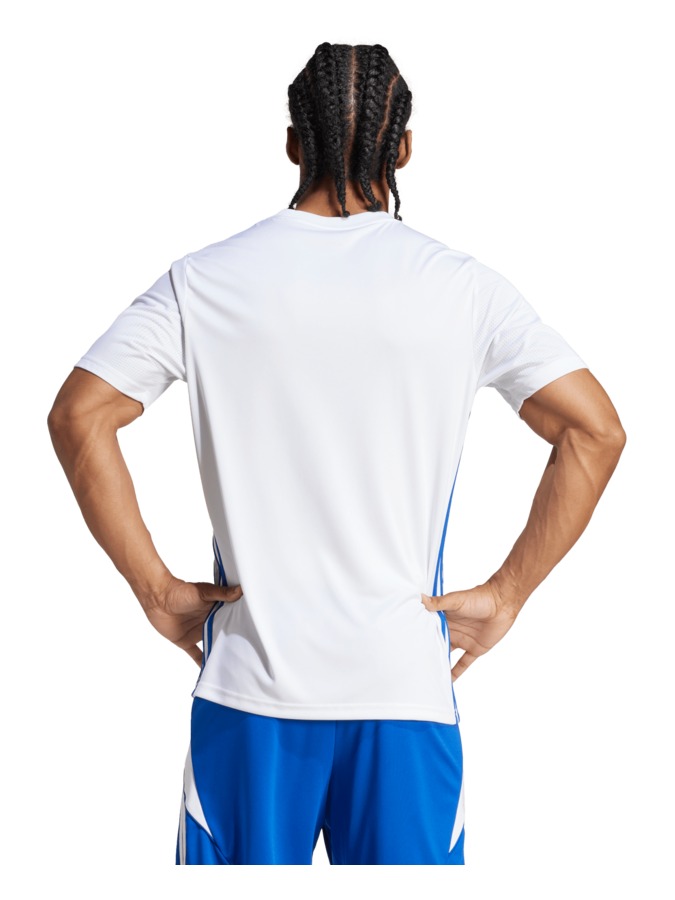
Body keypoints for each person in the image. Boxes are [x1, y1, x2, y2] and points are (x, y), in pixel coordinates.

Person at [47, 41, 626, 866]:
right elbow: (593, 431)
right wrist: (506, 595)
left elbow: (80, 416)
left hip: (249, 692)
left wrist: (156, 590)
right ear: (404, 148)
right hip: (403, 693)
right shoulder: (462, 287)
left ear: (293, 143)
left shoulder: (204, 279)